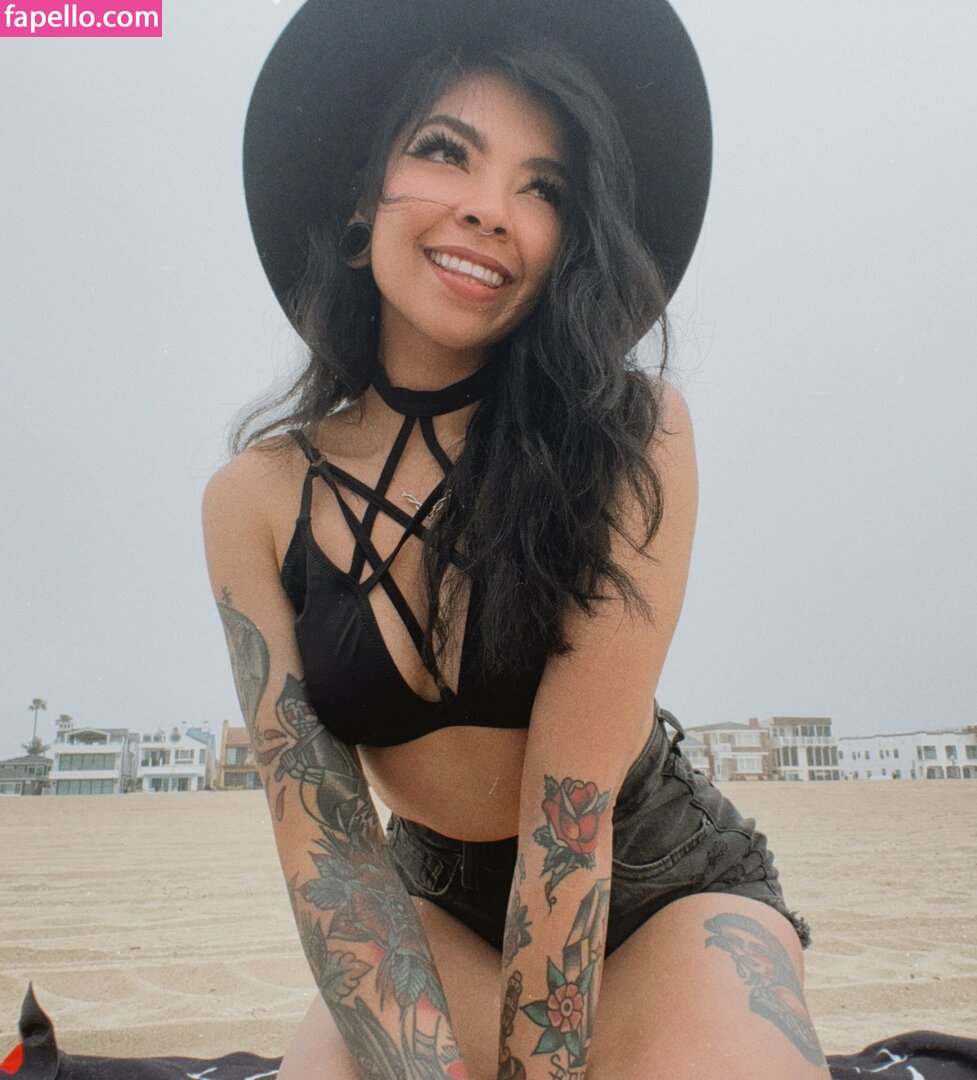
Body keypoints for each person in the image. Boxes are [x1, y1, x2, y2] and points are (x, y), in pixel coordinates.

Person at [203, 1, 830, 1077]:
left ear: (567, 243)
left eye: (543, 189)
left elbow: (568, 820)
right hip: (432, 907)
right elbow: (329, 853)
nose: (491, 211)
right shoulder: (254, 499)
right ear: (359, 192)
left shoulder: (626, 433)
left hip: (655, 890)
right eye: (447, 152)